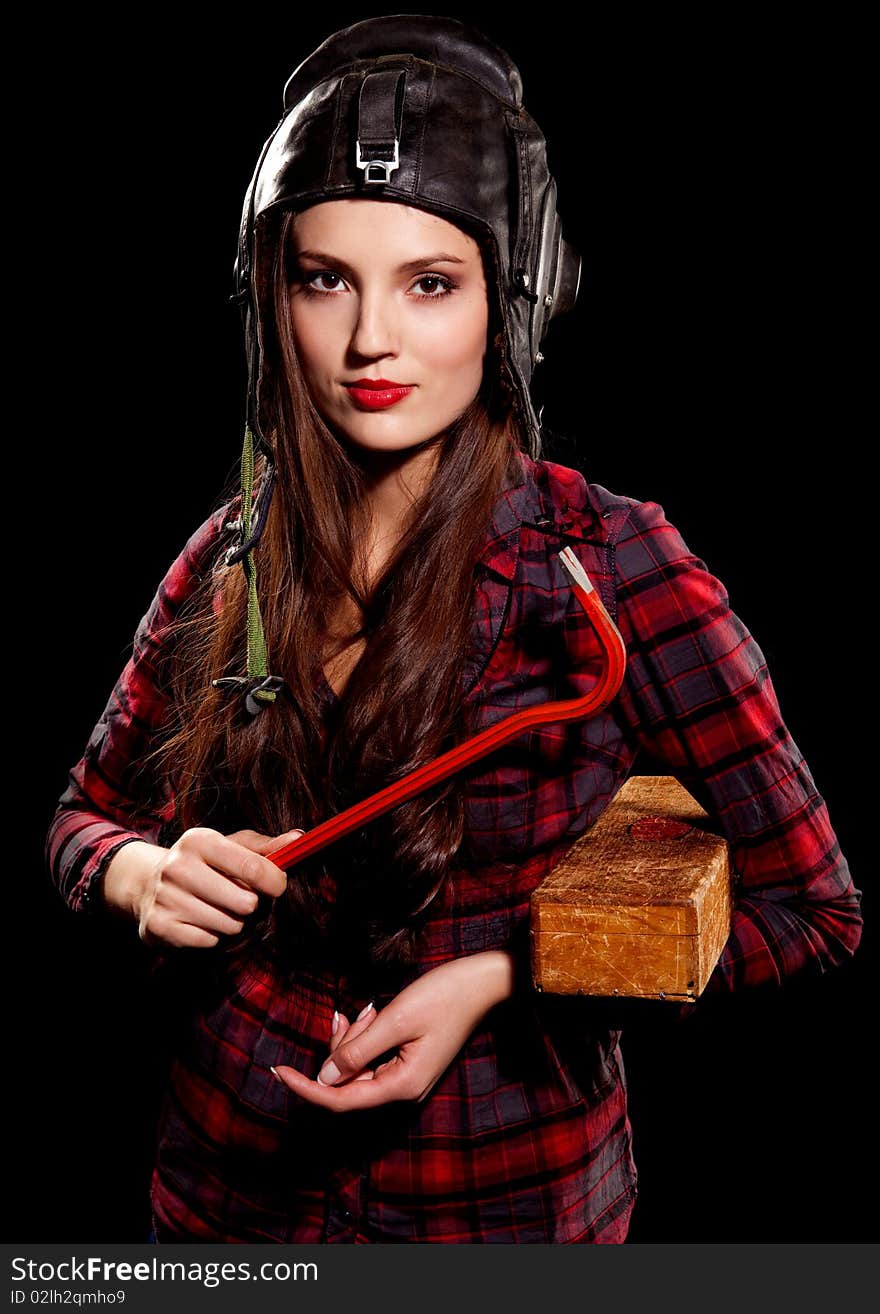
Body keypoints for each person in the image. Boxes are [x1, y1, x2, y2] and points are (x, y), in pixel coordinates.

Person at [45, 15, 862, 1245]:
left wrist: (512, 978)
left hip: (502, 1215)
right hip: (220, 1209)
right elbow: (80, 818)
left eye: (430, 284)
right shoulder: (229, 556)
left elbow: (813, 912)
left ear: (511, 300)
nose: (372, 340)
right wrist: (141, 874)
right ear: (270, 295)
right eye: (325, 279)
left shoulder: (610, 564)